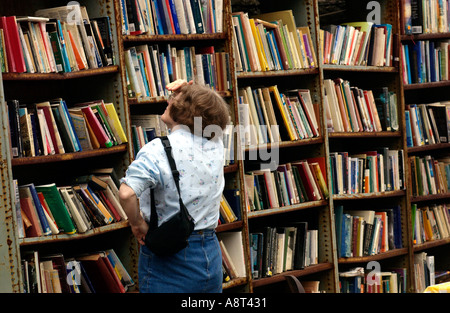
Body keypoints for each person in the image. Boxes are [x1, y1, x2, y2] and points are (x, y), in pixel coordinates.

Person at [119, 80, 230, 293]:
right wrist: (188, 94)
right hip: (210, 253)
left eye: (173, 99)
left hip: (171, 256)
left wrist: (137, 224)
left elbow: (126, 194)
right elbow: (207, 108)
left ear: (183, 110)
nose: (169, 101)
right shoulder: (216, 144)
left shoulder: (156, 150)